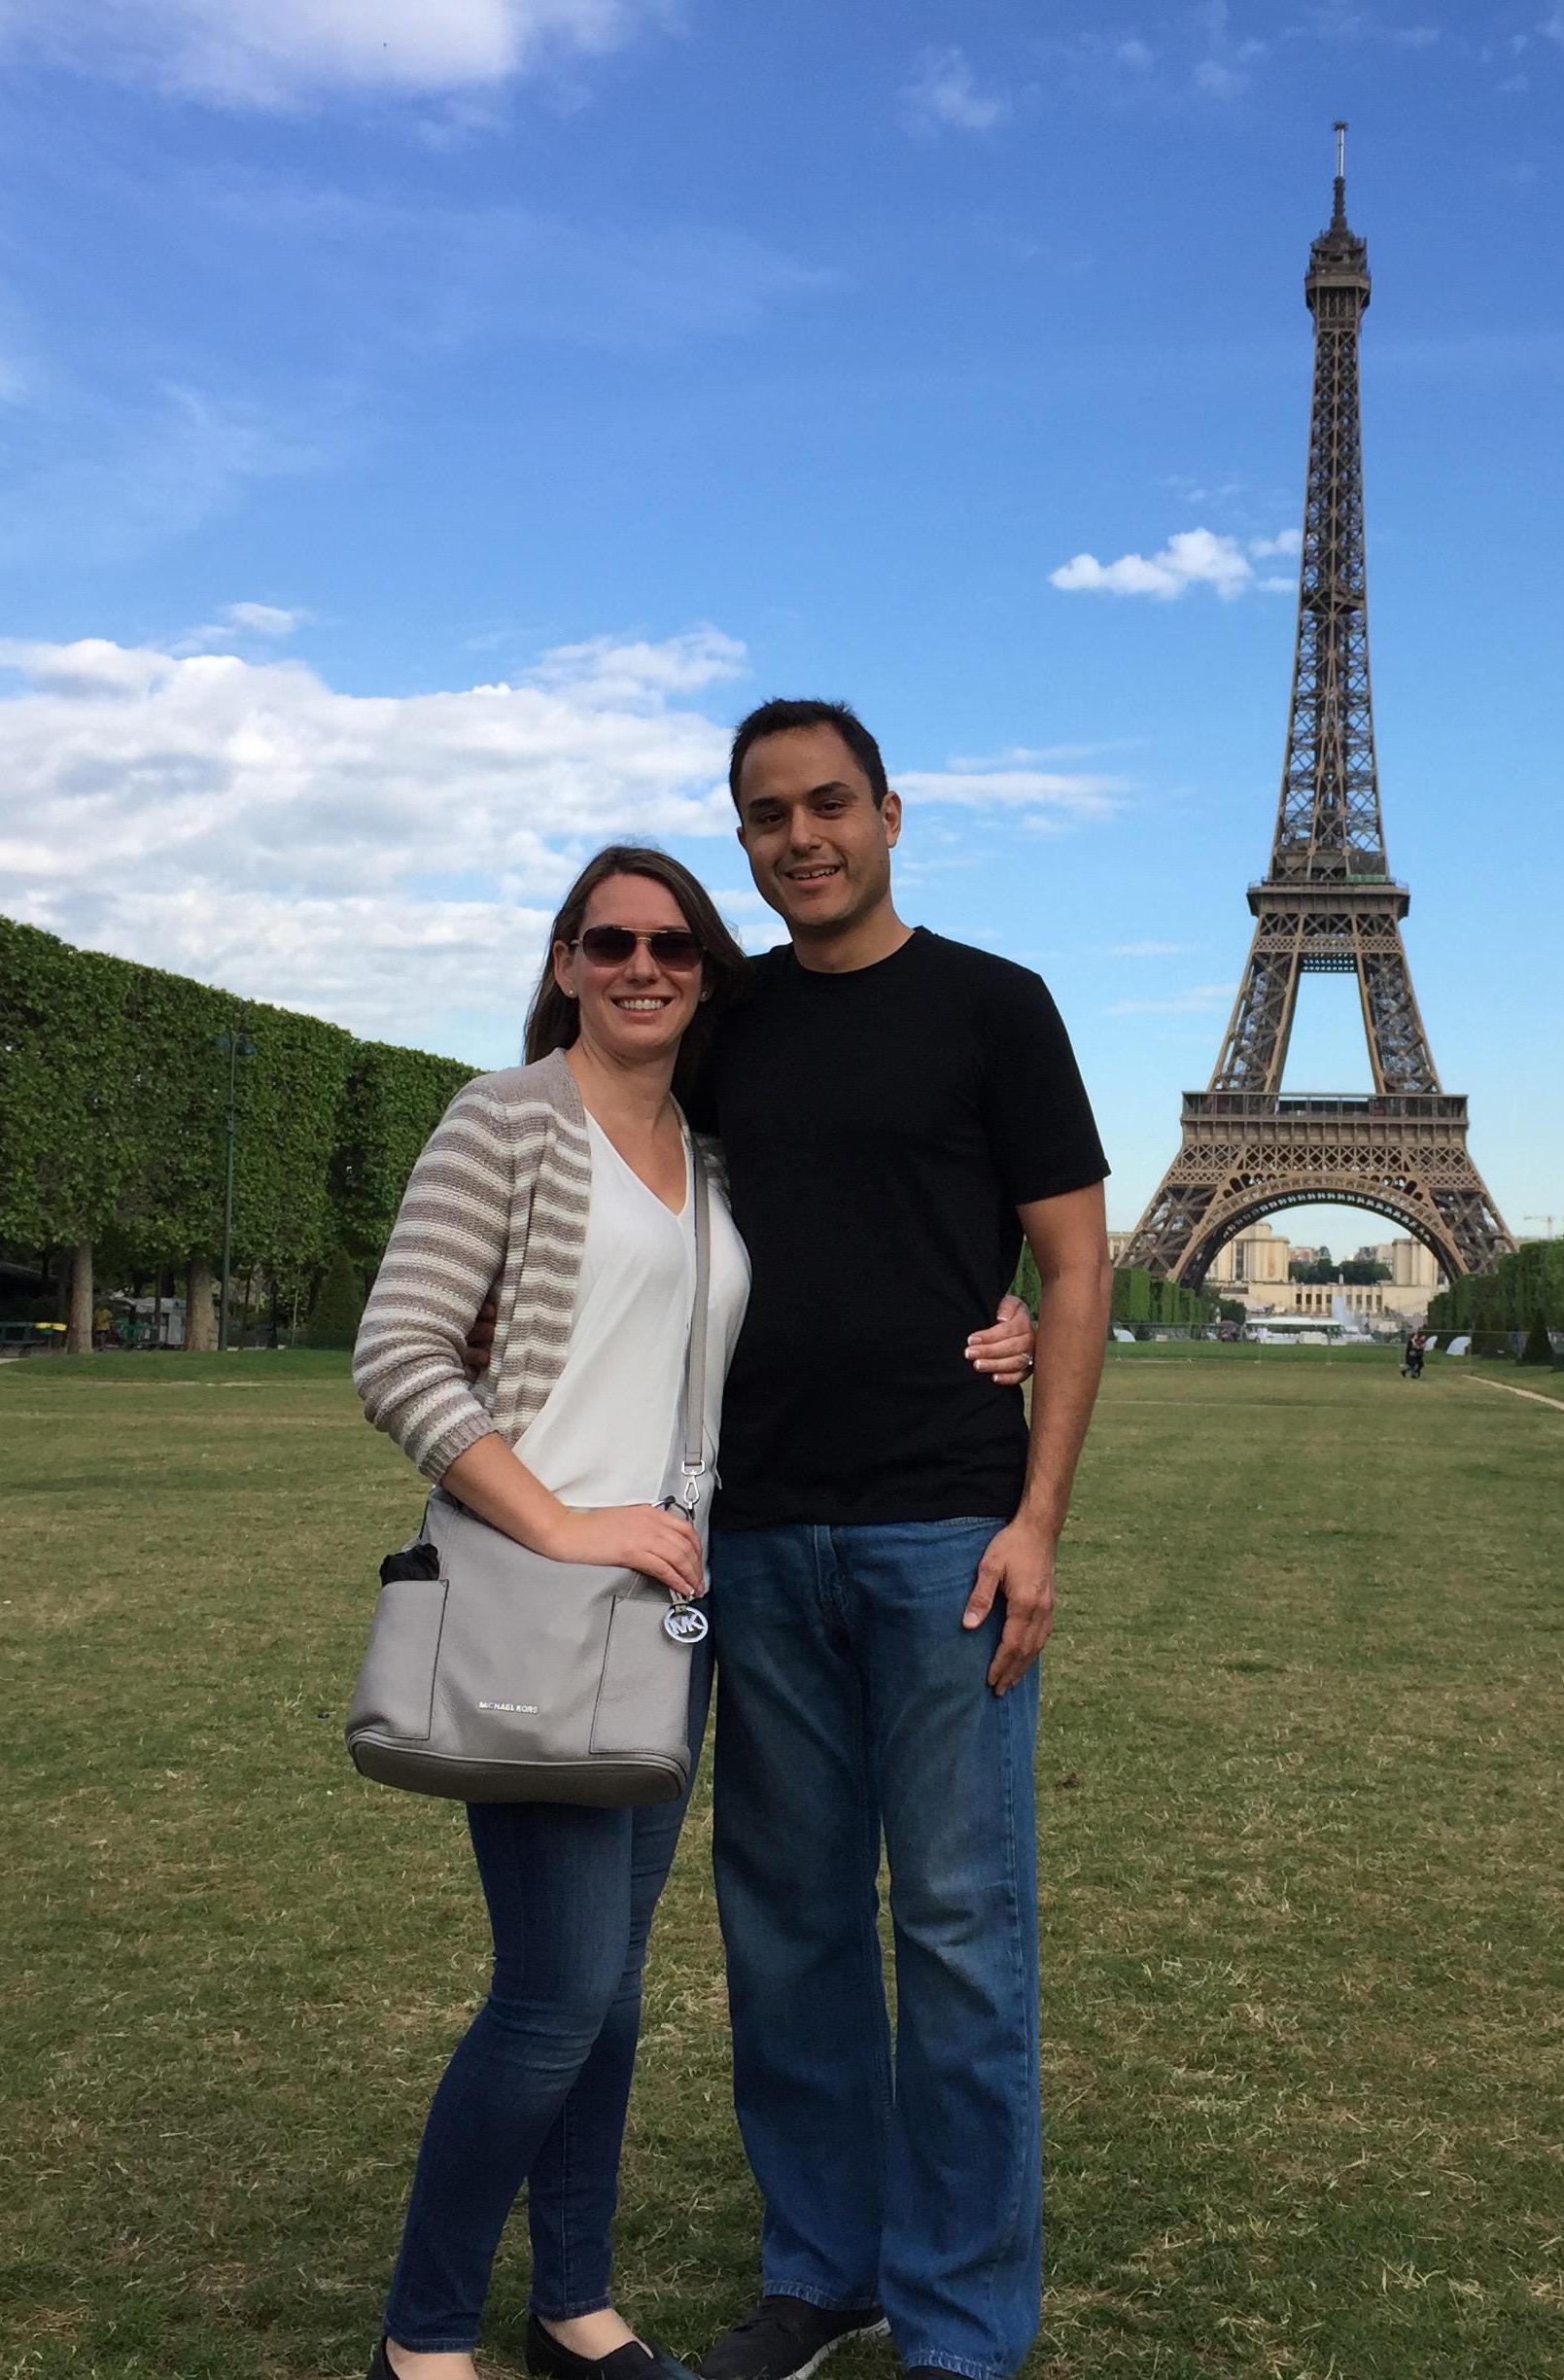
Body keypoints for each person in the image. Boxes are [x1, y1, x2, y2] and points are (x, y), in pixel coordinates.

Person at [351, 843, 1041, 2380]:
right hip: (541, 1597)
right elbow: (399, 1353)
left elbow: (847, 1275)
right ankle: (421, 2339)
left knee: (604, 1998)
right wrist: (566, 1520)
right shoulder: (503, 1120)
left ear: (708, 975)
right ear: (562, 962)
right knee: (551, 1997)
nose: (643, 965)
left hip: (667, 1623)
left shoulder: (710, 1152)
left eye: (675, 946)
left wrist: (1008, 1319)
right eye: (610, 941)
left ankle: (576, 2309)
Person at [689, 699, 1112, 2380]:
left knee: (955, 1932)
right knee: (783, 1928)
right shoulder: (724, 1026)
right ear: (744, 836)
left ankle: (954, 2315)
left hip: (944, 1526)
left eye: (829, 804)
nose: (801, 837)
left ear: (891, 812)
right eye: (768, 815)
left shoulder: (994, 1007)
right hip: (754, 1530)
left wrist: (1036, 1519)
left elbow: (1072, 1267)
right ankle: (825, 2264)